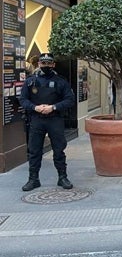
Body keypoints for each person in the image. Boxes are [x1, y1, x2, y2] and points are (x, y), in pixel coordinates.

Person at [19, 53, 75, 191]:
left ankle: (62, 177)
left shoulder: (61, 81)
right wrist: (35, 107)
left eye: (49, 63)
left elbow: (69, 100)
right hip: (37, 119)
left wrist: (53, 107)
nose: (46, 66)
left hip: (55, 119)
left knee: (58, 150)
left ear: (53, 65)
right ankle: (33, 179)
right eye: (43, 63)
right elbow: (23, 100)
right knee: (34, 151)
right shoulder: (30, 81)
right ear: (39, 64)